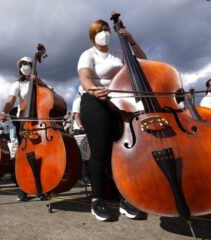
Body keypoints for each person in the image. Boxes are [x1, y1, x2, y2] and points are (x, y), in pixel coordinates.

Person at [77, 17, 147, 221]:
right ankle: (97, 200)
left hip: (120, 103)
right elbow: (85, 77)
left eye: (107, 29)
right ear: (93, 35)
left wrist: (131, 40)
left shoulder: (119, 53)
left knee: (121, 153)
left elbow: (144, 63)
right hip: (95, 101)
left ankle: (124, 198)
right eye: (100, 30)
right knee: (99, 152)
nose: (105, 33)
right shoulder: (88, 54)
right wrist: (93, 90)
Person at [0, 56, 49, 202]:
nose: (25, 66)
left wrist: (39, 82)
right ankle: (23, 188)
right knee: (24, 156)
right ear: (19, 68)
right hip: (24, 122)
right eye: (22, 64)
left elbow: (52, 94)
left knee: (41, 156)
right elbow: (10, 101)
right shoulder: (17, 84)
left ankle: (42, 187)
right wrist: (4, 111)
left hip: (40, 121)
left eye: (28, 63)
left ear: (33, 66)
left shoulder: (39, 82)